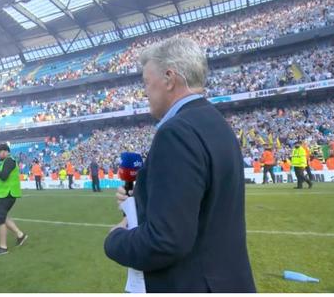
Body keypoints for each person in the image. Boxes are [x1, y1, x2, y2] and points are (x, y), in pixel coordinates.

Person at [103, 37, 256, 292]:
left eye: (147, 83)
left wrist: (114, 240)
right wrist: (141, 200)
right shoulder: (215, 122)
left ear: (169, 79)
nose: (145, 92)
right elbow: (198, 204)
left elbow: (166, 240)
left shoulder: (176, 133)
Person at [0, 143, 28, 256]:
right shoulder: (5, 162)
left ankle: (3, 247)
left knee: (0, 219)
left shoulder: (9, 161)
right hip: (5, 194)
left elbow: (3, 176)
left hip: (7, 194)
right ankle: (20, 235)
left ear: (6, 152)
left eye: (0, 151)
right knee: (3, 217)